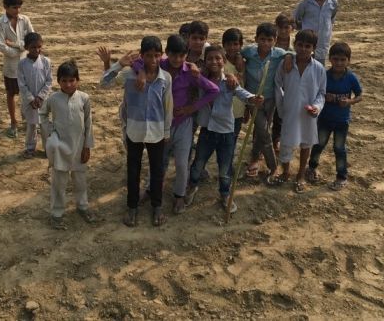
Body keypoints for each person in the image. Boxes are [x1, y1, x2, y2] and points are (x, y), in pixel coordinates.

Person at [131, 35, 219, 214]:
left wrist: (191, 108)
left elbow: (213, 90)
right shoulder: (160, 65)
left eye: (182, 56)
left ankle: (179, 195)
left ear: (186, 55)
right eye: (173, 55)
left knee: (181, 163)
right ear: (167, 54)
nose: (177, 60)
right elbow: (138, 62)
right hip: (160, 123)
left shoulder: (191, 72)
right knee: (158, 161)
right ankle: (150, 189)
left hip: (183, 124)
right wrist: (141, 71)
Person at [100, 37, 173, 227]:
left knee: (157, 171)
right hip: (134, 131)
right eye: (148, 56)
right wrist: (118, 64)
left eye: (157, 56)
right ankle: (132, 207)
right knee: (133, 171)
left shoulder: (165, 78)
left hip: (157, 133)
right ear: (141, 56)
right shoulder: (129, 76)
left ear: (162, 55)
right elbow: (104, 83)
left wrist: (166, 132)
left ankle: (157, 206)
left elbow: (168, 106)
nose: (153, 60)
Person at [185, 46, 263, 213]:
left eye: (218, 58)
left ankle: (225, 194)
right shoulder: (200, 79)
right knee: (198, 163)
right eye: (210, 58)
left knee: (225, 168)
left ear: (224, 61)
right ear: (205, 62)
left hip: (226, 133)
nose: (214, 61)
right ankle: (192, 186)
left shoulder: (229, 82)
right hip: (207, 131)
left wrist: (253, 99)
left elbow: (243, 94)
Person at [40, 60, 95, 230]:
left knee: (80, 180)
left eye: (72, 80)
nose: (68, 84)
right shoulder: (53, 99)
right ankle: (57, 213)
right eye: (64, 81)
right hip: (60, 148)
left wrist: (87, 147)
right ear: (59, 82)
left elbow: (88, 123)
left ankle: (83, 206)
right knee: (59, 182)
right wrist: (50, 132)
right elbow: (42, 115)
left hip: (79, 148)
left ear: (77, 80)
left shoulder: (84, 98)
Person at [274, 30, 326, 193]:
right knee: (287, 144)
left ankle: (301, 175)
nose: (303, 49)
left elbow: (321, 93)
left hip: (308, 114)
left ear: (314, 48)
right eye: (300, 45)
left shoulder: (318, 68)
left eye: (307, 46)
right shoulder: (286, 64)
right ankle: (286, 171)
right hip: (289, 111)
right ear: (295, 45)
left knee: (306, 144)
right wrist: (281, 108)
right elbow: (277, 85)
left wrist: (316, 107)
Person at [307, 42, 362, 191]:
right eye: (336, 59)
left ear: (348, 61)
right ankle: (311, 168)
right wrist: (325, 97)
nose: (339, 63)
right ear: (330, 59)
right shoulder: (324, 75)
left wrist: (349, 101)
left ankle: (341, 176)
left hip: (341, 121)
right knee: (319, 144)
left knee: (339, 148)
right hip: (324, 118)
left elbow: (359, 96)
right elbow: (316, 92)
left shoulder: (351, 78)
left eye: (343, 60)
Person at [241, 23, 293, 180]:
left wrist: (289, 56)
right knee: (264, 131)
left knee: (262, 130)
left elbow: (290, 54)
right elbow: (237, 53)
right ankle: (273, 166)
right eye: (262, 39)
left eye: (269, 40)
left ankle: (254, 158)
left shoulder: (278, 54)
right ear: (256, 39)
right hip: (252, 99)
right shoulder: (249, 52)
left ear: (275, 40)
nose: (265, 43)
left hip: (270, 99)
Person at [0, 0, 34, 138]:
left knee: (29, 93)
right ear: (5, 6)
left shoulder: (25, 20)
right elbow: (2, 47)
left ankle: (30, 120)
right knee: (11, 94)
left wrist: (15, 44)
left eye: (19, 7)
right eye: (14, 7)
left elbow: (33, 40)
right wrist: (22, 48)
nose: (17, 11)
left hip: (28, 64)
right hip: (11, 67)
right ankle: (13, 122)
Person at [294, 0, 339, 65]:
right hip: (306, 47)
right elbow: (295, 20)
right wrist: (305, 30)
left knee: (319, 70)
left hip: (323, 45)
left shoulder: (333, 2)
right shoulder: (305, 4)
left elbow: (331, 19)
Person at [17, 32, 52, 159]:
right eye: (33, 47)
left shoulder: (46, 62)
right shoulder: (22, 64)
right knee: (31, 125)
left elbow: (49, 81)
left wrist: (41, 96)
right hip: (29, 102)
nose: (37, 50)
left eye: (39, 47)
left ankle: (48, 149)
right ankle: (30, 148)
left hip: (43, 101)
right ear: (26, 47)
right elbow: (21, 84)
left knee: (45, 126)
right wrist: (31, 98)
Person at [272, 12, 295, 154]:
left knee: (280, 114)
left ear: (292, 28)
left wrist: (289, 55)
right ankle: (261, 143)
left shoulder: (295, 43)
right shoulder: (270, 40)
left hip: (287, 84)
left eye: (287, 27)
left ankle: (277, 139)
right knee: (266, 114)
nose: (284, 31)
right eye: (281, 28)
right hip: (269, 81)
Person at [222, 28, 247, 141]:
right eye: (228, 44)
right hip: (223, 109)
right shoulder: (220, 61)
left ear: (241, 45)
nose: (232, 47)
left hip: (239, 109)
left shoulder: (245, 62)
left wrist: (247, 108)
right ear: (224, 45)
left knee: (233, 138)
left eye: (235, 44)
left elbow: (245, 85)